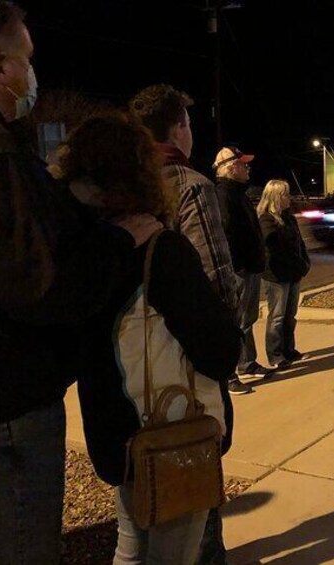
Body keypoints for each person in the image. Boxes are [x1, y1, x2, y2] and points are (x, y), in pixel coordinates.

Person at [0, 4, 156, 563]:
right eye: (27, 59)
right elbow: (45, 284)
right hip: (6, 413)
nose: (33, 73)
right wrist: (120, 239)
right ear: (1, 67)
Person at [60, 113, 241, 564]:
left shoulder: (78, 248)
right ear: (142, 172)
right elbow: (219, 352)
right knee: (172, 553)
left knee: (131, 545)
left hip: (115, 435)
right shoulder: (160, 249)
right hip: (169, 435)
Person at [128, 84, 252, 397]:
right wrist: (226, 348)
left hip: (126, 354)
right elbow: (217, 278)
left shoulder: (117, 182)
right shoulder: (190, 185)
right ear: (180, 128)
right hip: (181, 351)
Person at [213, 145, 269, 378]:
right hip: (241, 269)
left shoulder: (238, 193)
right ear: (231, 168)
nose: (248, 168)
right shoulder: (225, 195)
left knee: (247, 318)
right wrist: (238, 266)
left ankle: (247, 363)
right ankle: (233, 371)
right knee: (239, 321)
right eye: (243, 164)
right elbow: (227, 235)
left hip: (250, 266)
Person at [257, 179, 310, 369]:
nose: (289, 198)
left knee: (290, 314)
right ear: (276, 197)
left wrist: (305, 261)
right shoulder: (266, 219)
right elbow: (277, 249)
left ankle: (289, 349)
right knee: (277, 316)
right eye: (286, 194)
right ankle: (275, 355)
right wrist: (297, 262)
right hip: (277, 275)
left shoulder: (289, 217)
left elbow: (299, 243)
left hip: (294, 273)